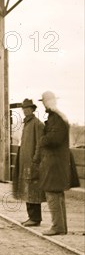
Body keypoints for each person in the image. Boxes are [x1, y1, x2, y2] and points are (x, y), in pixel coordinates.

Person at [37, 91, 72, 236]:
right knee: (57, 194)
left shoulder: (56, 118)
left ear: (49, 102)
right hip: (57, 162)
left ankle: (57, 227)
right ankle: (60, 227)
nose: (44, 104)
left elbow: (55, 139)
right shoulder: (58, 117)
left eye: (45, 102)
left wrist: (42, 140)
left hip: (54, 163)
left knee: (52, 194)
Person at [12, 99, 45, 226]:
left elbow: (40, 145)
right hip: (25, 162)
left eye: (28, 108)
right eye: (24, 109)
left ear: (32, 109)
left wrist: (35, 160)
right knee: (27, 190)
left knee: (33, 190)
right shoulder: (27, 123)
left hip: (33, 163)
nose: (25, 111)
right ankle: (31, 217)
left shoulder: (37, 124)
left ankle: (35, 218)